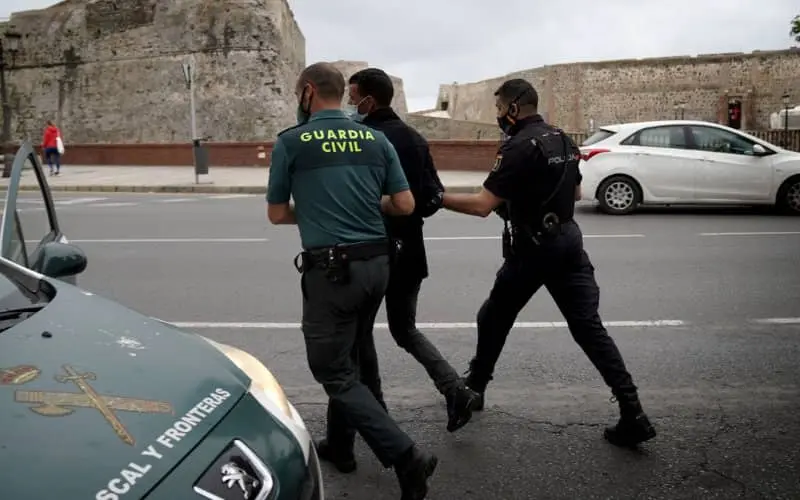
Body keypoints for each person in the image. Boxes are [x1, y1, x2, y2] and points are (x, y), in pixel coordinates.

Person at [439, 78, 657, 448]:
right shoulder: (563, 139)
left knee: (493, 316)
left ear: (511, 108)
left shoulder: (518, 147)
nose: (497, 116)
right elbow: (575, 192)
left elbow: (481, 205)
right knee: (589, 328)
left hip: (533, 247)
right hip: (568, 242)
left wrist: (437, 197)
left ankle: (473, 391)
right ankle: (632, 412)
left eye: (497, 109)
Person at [266, 62, 438, 499]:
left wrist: (322, 209)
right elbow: (404, 204)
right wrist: (361, 204)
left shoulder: (292, 142)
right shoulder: (376, 139)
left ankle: (406, 457)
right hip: (377, 267)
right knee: (356, 355)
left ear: (307, 92)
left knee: (333, 370)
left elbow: (277, 213)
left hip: (333, 272)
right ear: (342, 94)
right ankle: (341, 447)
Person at [345, 67, 480, 433]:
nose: (350, 104)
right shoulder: (415, 138)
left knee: (358, 336)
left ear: (369, 101)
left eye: (353, 98)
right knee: (405, 330)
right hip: (410, 250)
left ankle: (377, 419)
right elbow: (432, 197)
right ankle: (455, 390)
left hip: (371, 251)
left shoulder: (361, 139)